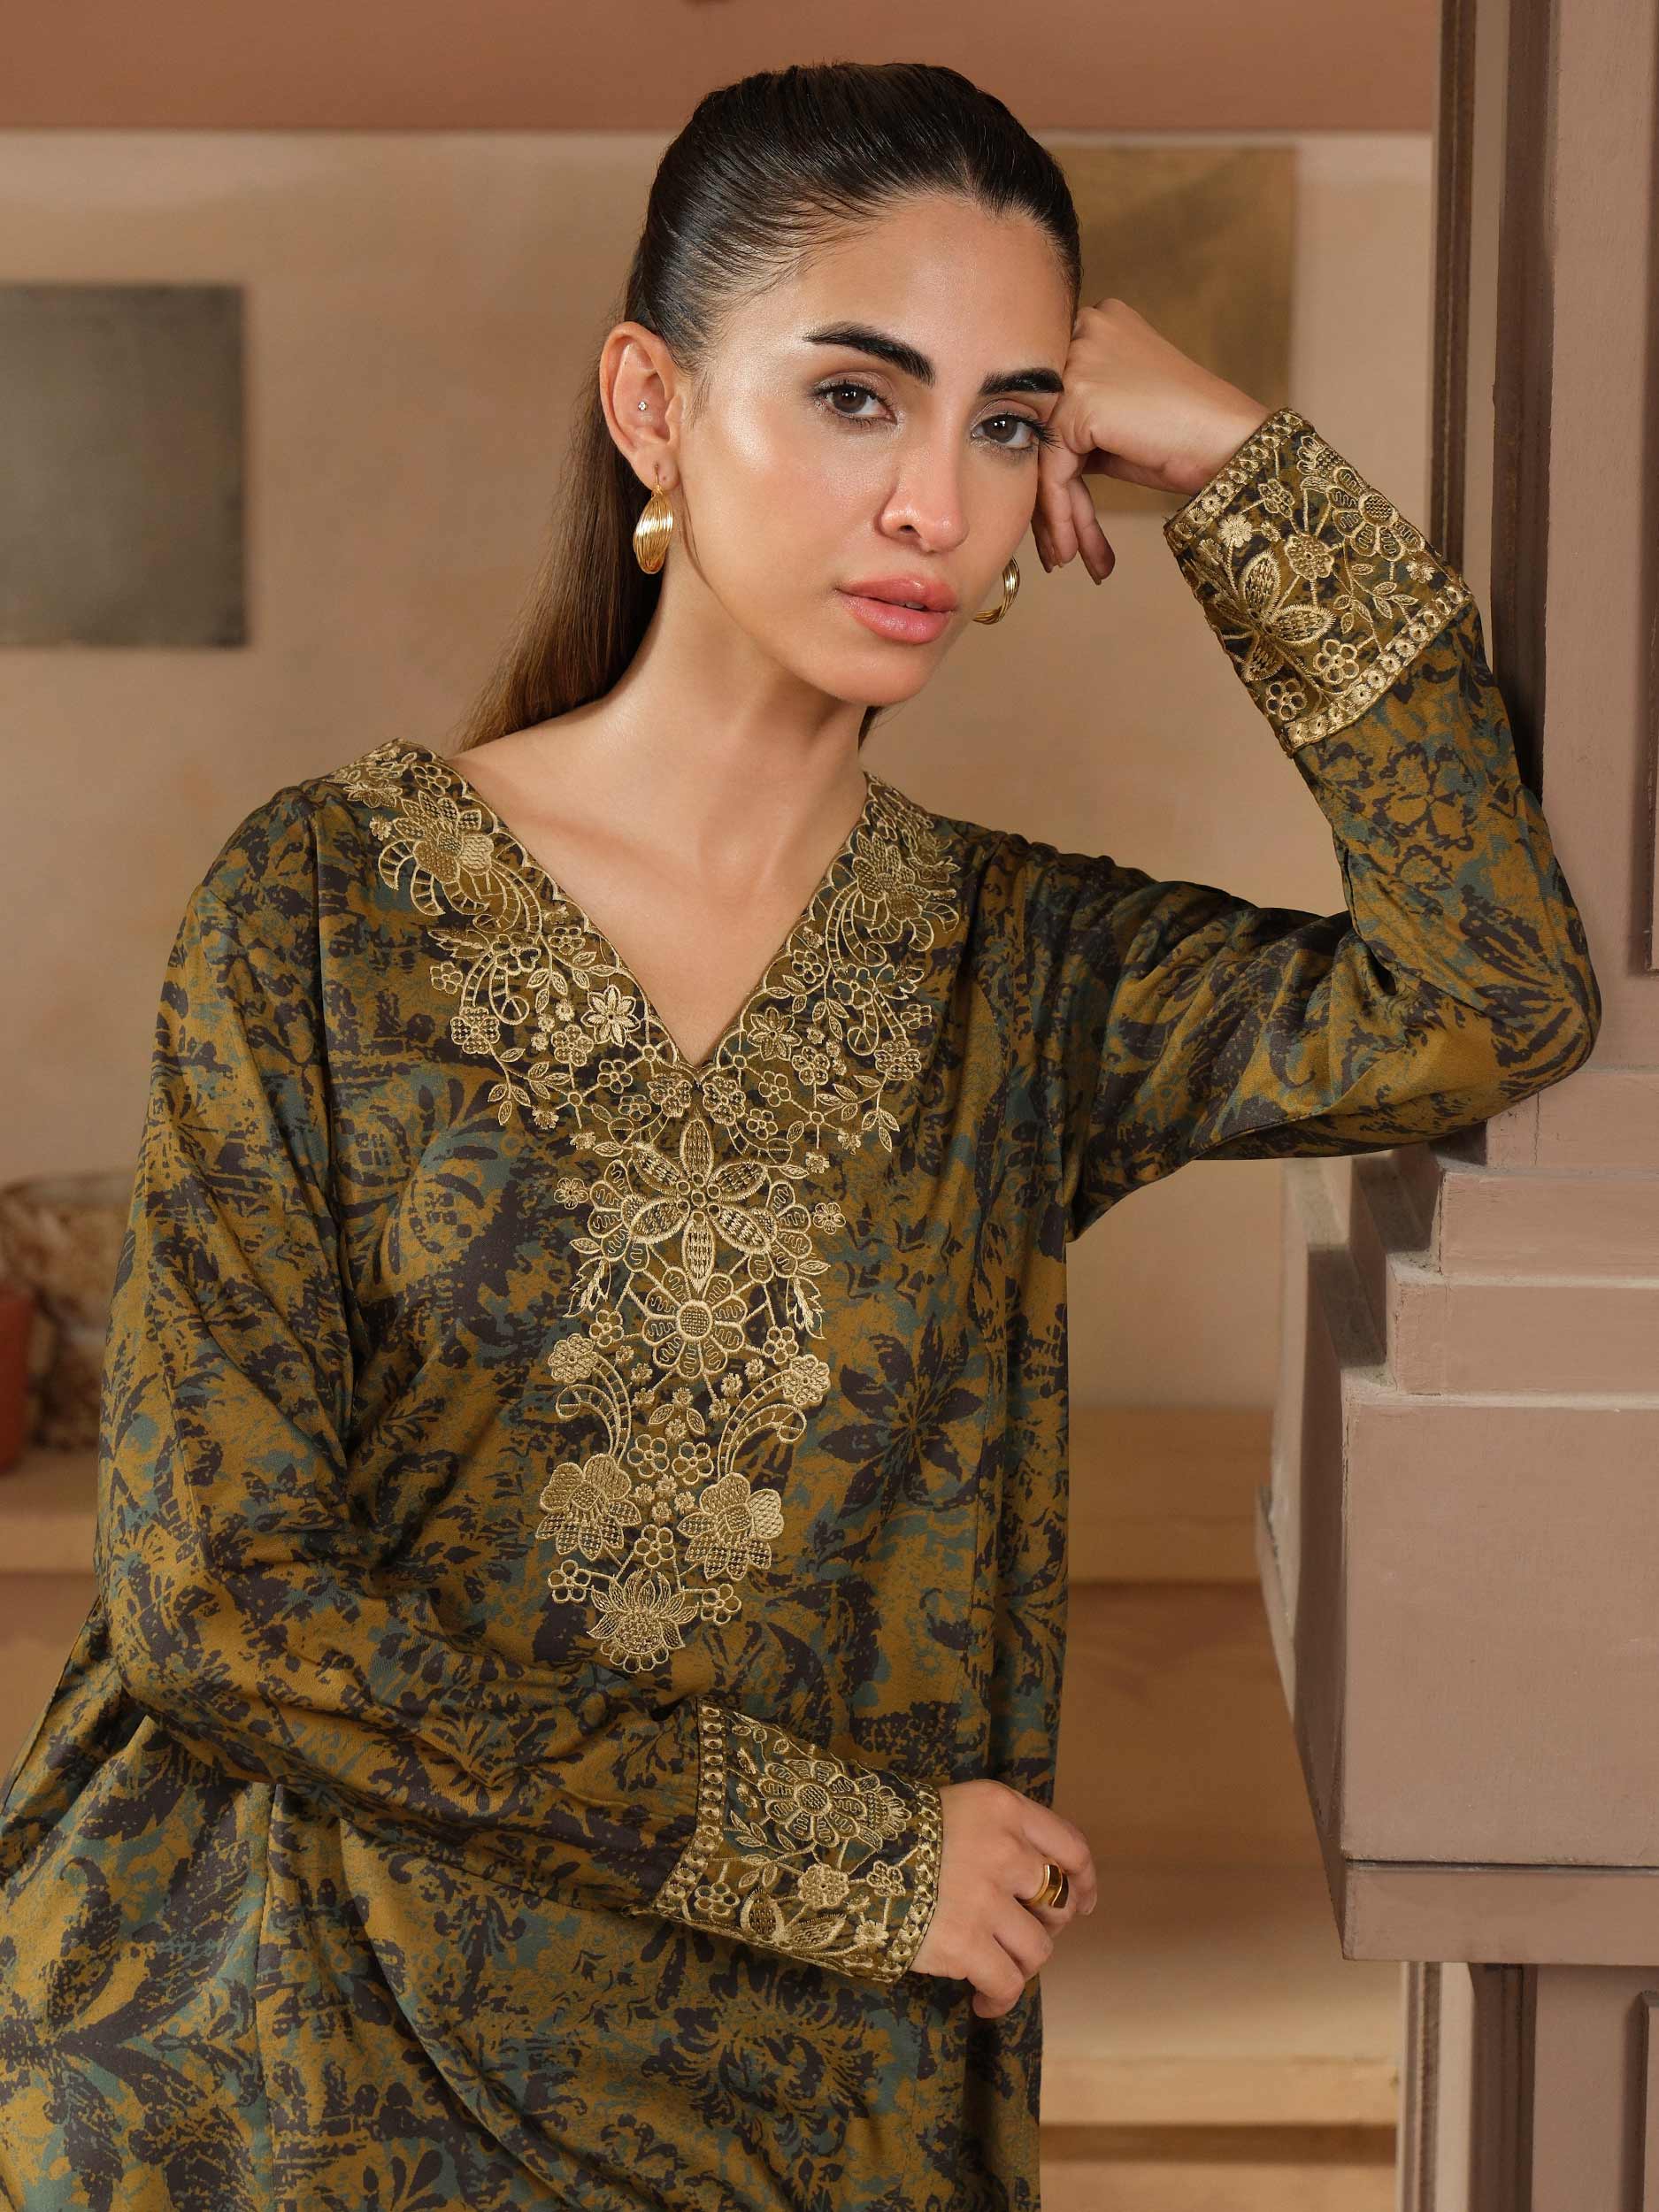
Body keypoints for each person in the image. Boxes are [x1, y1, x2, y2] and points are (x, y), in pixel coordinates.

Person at [0, 57, 1601, 2212]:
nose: (934, 500)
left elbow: (1485, 991)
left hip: (791, 2103)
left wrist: (1248, 472)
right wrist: (843, 1858)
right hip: (284, 2059)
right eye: (857, 396)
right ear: (650, 406)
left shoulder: (1022, 978)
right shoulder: (322, 902)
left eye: (1006, 422)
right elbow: (218, 1596)